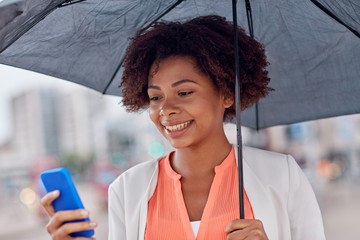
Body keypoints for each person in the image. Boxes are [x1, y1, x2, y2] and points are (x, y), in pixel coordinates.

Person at [41, 15, 326, 240]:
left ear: (227, 93)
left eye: (185, 92)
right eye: (155, 97)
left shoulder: (283, 177)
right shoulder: (127, 190)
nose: (166, 109)